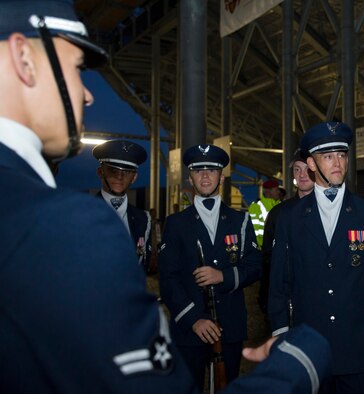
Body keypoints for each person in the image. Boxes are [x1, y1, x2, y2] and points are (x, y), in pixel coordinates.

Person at [0, 1, 333, 392]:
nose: (88, 96)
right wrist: (302, 358)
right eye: (77, 68)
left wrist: (227, 276)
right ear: (23, 57)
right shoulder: (67, 222)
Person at [268, 121, 364, 394]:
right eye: (327, 157)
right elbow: (279, 281)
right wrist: (280, 333)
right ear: (312, 164)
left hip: (359, 347)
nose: (337, 163)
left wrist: (352, 306)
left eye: (341, 155)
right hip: (309, 348)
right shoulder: (289, 217)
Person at [159, 144, 262, 391]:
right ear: (190, 177)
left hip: (230, 326)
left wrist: (223, 276)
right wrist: (194, 319)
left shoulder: (241, 220)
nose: (205, 176)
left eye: (212, 170)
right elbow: (168, 279)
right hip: (189, 329)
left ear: (221, 176)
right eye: (198, 170)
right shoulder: (175, 224)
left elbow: (254, 265)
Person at [258, 148, 315, 315]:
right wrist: (267, 300)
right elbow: (268, 259)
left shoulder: (329, 211)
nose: (302, 174)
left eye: (307, 169)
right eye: (297, 169)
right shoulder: (279, 213)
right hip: (289, 299)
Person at [93, 139, 153, 272]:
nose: (119, 177)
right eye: (112, 170)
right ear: (100, 172)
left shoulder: (143, 219)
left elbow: (143, 265)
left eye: (126, 172)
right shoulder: (83, 214)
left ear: (134, 177)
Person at [248, 178, 281, 247]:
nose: (278, 192)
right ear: (268, 192)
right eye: (276, 190)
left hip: (277, 248)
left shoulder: (280, 205)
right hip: (262, 249)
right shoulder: (256, 206)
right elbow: (254, 230)